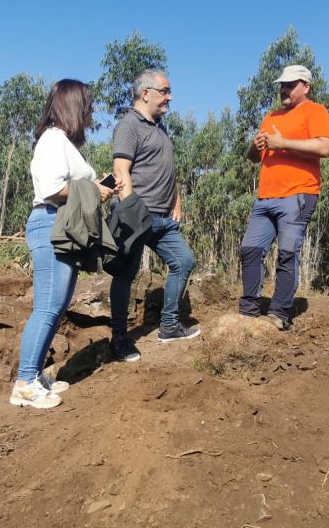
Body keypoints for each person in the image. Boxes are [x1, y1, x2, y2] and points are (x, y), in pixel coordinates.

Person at [13, 79, 119, 409]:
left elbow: (70, 185)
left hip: (62, 225)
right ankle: (25, 382)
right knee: (47, 305)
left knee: (56, 305)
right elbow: (50, 189)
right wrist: (92, 190)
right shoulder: (53, 139)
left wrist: (95, 186)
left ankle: (35, 375)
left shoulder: (64, 143)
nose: (91, 112)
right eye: (87, 105)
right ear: (74, 106)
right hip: (49, 223)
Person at [109, 69, 200, 362]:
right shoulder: (128, 126)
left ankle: (169, 327)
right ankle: (119, 340)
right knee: (125, 274)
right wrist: (131, 210)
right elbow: (120, 171)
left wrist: (177, 199)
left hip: (163, 218)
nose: (169, 97)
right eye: (165, 91)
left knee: (184, 261)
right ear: (145, 93)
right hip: (139, 214)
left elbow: (168, 167)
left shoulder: (160, 127)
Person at [239, 64, 329, 329]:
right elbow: (252, 157)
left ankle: (279, 313)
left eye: (290, 85)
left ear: (306, 87)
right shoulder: (271, 116)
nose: (284, 89)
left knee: (287, 253)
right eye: (282, 84)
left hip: (298, 195)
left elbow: (323, 147)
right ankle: (248, 311)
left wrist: (283, 144)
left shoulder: (316, 111)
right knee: (250, 250)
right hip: (265, 196)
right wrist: (254, 147)